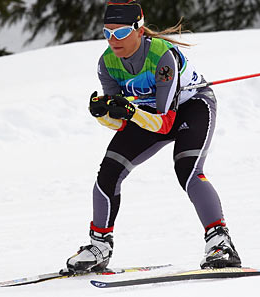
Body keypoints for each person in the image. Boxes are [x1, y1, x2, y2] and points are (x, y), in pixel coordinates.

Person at [65, 0, 241, 273]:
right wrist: (103, 113)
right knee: (109, 172)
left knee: (187, 169)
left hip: (191, 108)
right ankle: (99, 245)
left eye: (121, 33)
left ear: (139, 29)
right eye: (107, 33)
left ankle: (221, 242)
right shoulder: (107, 63)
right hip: (148, 113)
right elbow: (120, 124)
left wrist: (130, 112)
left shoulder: (162, 56)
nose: (114, 40)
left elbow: (166, 122)